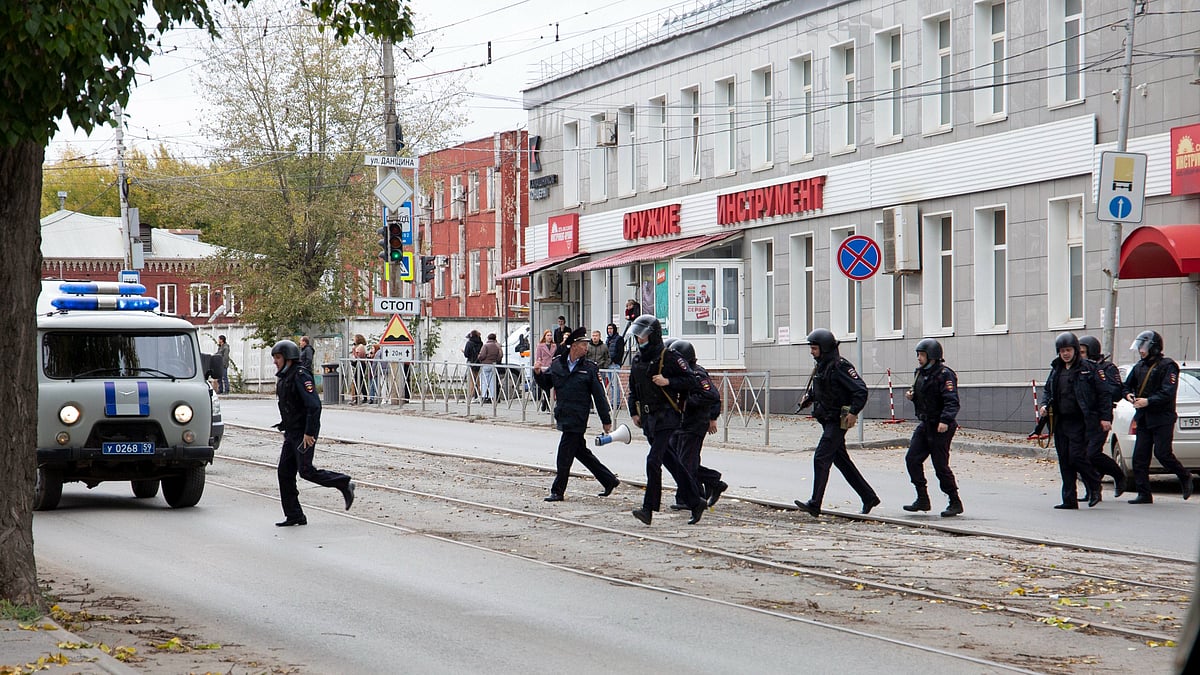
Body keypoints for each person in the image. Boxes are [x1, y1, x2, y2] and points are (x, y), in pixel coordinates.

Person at [627, 314, 707, 525]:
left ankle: (648, 508)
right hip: (649, 419)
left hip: (667, 416)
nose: (639, 340)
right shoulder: (637, 360)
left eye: (642, 337)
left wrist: (668, 381)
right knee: (673, 462)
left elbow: (691, 380)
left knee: (653, 461)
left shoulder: (669, 356)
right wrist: (633, 413)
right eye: (637, 337)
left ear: (653, 336)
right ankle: (695, 500)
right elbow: (633, 389)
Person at [793, 328, 880, 518]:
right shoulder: (823, 365)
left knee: (821, 457)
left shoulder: (840, 366)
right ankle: (869, 497)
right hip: (826, 418)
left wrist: (854, 412)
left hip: (837, 420)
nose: (811, 352)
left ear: (824, 348)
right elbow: (825, 388)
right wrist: (809, 398)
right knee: (842, 461)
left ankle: (815, 504)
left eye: (814, 348)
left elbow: (860, 390)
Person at [270, 339, 355, 527]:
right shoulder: (285, 376)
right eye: (274, 358)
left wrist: (309, 432)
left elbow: (314, 406)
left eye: (278, 357)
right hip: (291, 433)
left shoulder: (301, 376)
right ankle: (294, 515)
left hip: (303, 434)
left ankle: (344, 483)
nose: (275, 361)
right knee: (284, 473)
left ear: (288, 358)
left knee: (306, 471)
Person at [543, 327, 620, 501]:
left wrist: (606, 420)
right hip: (563, 414)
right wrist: (537, 374)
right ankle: (609, 480)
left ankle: (558, 491)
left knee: (564, 453)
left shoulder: (589, 368)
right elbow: (546, 383)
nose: (586, 348)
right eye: (583, 344)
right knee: (580, 452)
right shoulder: (558, 363)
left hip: (578, 417)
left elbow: (599, 395)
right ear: (574, 346)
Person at [1122, 330, 1195, 504]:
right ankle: (1144, 493)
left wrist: (1148, 401)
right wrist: (1129, 396)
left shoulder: (1168, 366)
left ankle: (1185, 476)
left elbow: (1168, 392)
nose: (1141, 350)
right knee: (1139, 457)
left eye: (1144, 346)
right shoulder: (1139, 367)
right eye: (1140, 346)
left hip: (1162, 418)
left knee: (1163, 454)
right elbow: (1125, 387)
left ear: (1154, 347)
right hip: (1144, 418)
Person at [1039, 332, 1108, 509]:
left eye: (1068, 350)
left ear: (1075, 350)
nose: (1065, 354)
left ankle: (1094, 484)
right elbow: (1048, 391)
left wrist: (1105, 417)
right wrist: (1044, 405)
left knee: (1077, 456)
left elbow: (1103, 394)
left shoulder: (1089, 368)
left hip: (1081, 421)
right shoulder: (1056, 369)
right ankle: (1069, 499)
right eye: (1062, 351)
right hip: (1061, 421)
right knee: (1064, 460)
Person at [902, 338, 964, 517]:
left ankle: (954, 501)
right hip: (925, 423)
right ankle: (922, 498)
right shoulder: (920, 373)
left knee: (940, 465)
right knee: (912, 458)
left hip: (941, 426)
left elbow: (952, 401)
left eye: (922, 355)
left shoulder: (945, 374)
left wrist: (945, 420)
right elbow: (923, 394)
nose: (919, 358)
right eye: (918, 355)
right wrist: (913, 396)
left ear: (933, 356)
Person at [668, 339, 727, 509]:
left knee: (686, 463)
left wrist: (688, 402)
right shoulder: (683, 373)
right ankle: (711, 483)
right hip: (681, 424)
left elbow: (712, 395)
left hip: (694, 425)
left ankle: (689, 497)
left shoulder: (696, 374)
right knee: (679, 461)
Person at [1078, 335, 1128, 496]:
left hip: (1101, 415)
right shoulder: (1079, 368)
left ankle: (1118, 475)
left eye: (1083, 352)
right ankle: (1092, 489)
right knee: (1082, 455)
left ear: (1091, 352)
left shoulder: (1107, 368)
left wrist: (1098, 386)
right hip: (1083, 417)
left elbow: (1116, 392)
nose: (1080, 356)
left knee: (1092, 453)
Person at [533, 329, 556, 412]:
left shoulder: (554, 346)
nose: (549, 337)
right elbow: (538, 357)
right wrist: (538, 365)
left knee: (551, 387)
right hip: (543, 367)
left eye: (550, 335)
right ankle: (545, 402)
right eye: (548, 335)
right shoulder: (540, 346)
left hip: (551, 367)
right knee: (546, 387)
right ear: (545, 336)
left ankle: (547, 403)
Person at [477, 332, 502, 403]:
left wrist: (479, 357)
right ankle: (492, 397)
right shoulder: (497, 346)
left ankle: (484, 396)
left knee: (484, 381)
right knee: (492, 382)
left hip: (485, 364)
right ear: (495, 339)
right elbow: (500, 356)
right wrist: (495, 361)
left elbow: (482, 355)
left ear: (488, 338)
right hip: (493, 365)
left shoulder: (485, 346)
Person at [463, 329, 483, 402]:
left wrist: (464, 351)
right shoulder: (481, 343)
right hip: (478, 362)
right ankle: (479, 395)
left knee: (471, 380)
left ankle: (471, 396)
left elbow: (466, 354)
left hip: (471, 362)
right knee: (478, 380)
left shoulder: (469, 343)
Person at [350, 334, 368, 404]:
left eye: (355, 338)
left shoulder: (360, 347)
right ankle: (359, 397)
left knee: (359, 381)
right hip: (359, 364)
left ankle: (361, 397)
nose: (354, 340)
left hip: (361, 364)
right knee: (358, 381)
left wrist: (354, 351)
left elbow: (358, 356)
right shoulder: (358, 346)